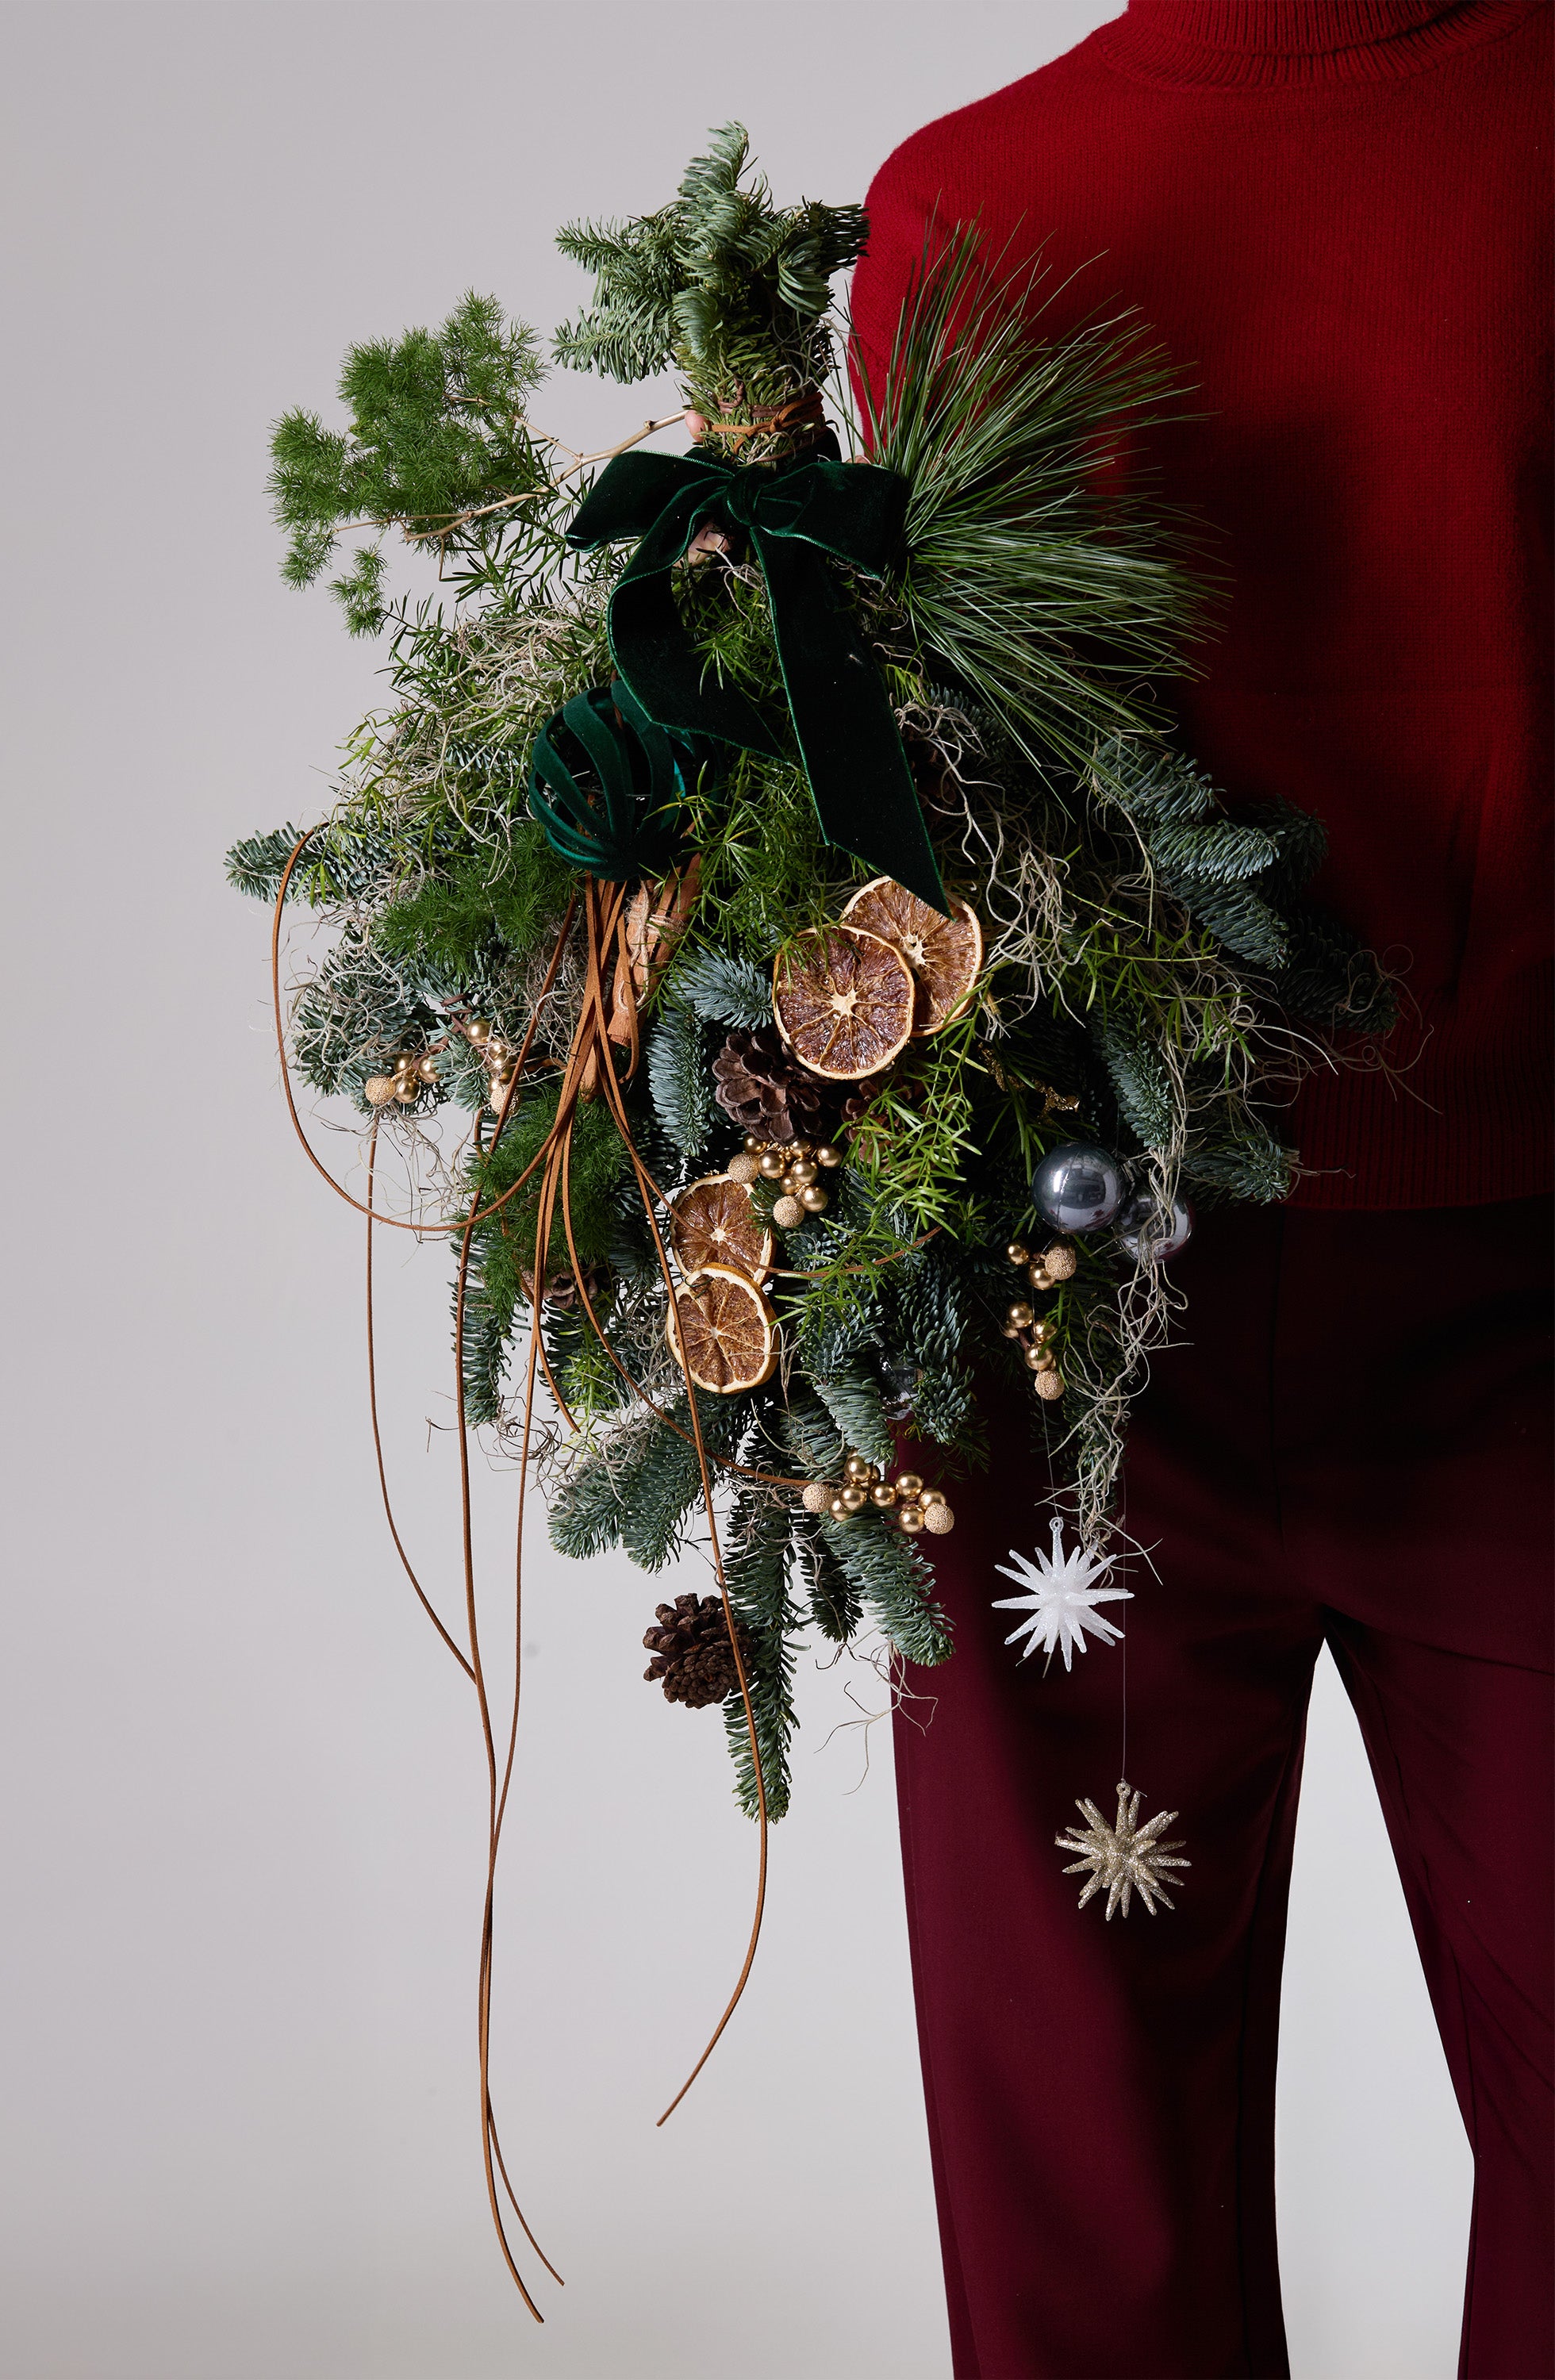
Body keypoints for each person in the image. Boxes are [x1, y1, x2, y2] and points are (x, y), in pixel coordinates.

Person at [849, 4, 1553, 2373]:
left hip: (1077, 1291)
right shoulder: (967, 206)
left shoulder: (974, 195)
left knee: (1086, 2214)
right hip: (1103, 1301)